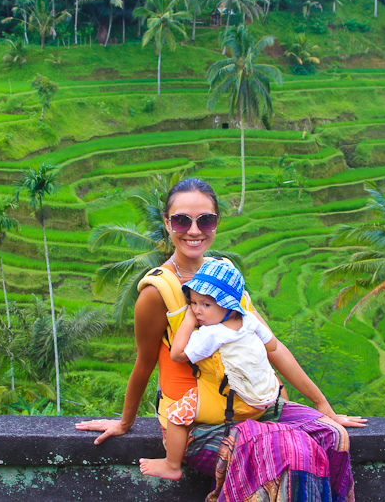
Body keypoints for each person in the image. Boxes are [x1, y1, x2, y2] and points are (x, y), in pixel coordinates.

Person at [76, 177, 366, 502]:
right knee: (291, 453)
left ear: (217, 223)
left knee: (332, 435)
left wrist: (324, 407)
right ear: (167, 223)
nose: (194, 230)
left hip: (254, 406)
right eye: (182, 220)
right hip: (199, 423)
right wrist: (124, 423)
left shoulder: (225, 275)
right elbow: (144, 364)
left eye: (206, 220)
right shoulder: (158, 292)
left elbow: (271, 347)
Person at [139, 259, 281, 480]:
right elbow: (272, 345)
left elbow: (177, 354)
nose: (197, 310)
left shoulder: (210, 335)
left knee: (177, 415)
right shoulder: (249, 319)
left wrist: (187, 321)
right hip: (263, 399)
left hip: (233, 406)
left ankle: (172, 465)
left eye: (206, 305)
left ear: (228, 306)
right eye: (194, 303)